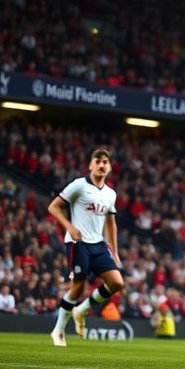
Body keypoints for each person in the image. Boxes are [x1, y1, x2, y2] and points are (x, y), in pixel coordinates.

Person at [47, 147, 124, 347]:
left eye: (105, 162)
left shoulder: (110, 194)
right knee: (78, 286)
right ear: (90, 165)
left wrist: (114, 251)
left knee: (117, 283)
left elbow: (110, 223)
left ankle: (81, 310)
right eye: (97, 161)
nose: (101, 165)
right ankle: (58, 331)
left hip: (98, 244)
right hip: (78, 243)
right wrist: (69, 226)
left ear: (109, 167)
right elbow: (53, 207)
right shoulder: (78, 186)